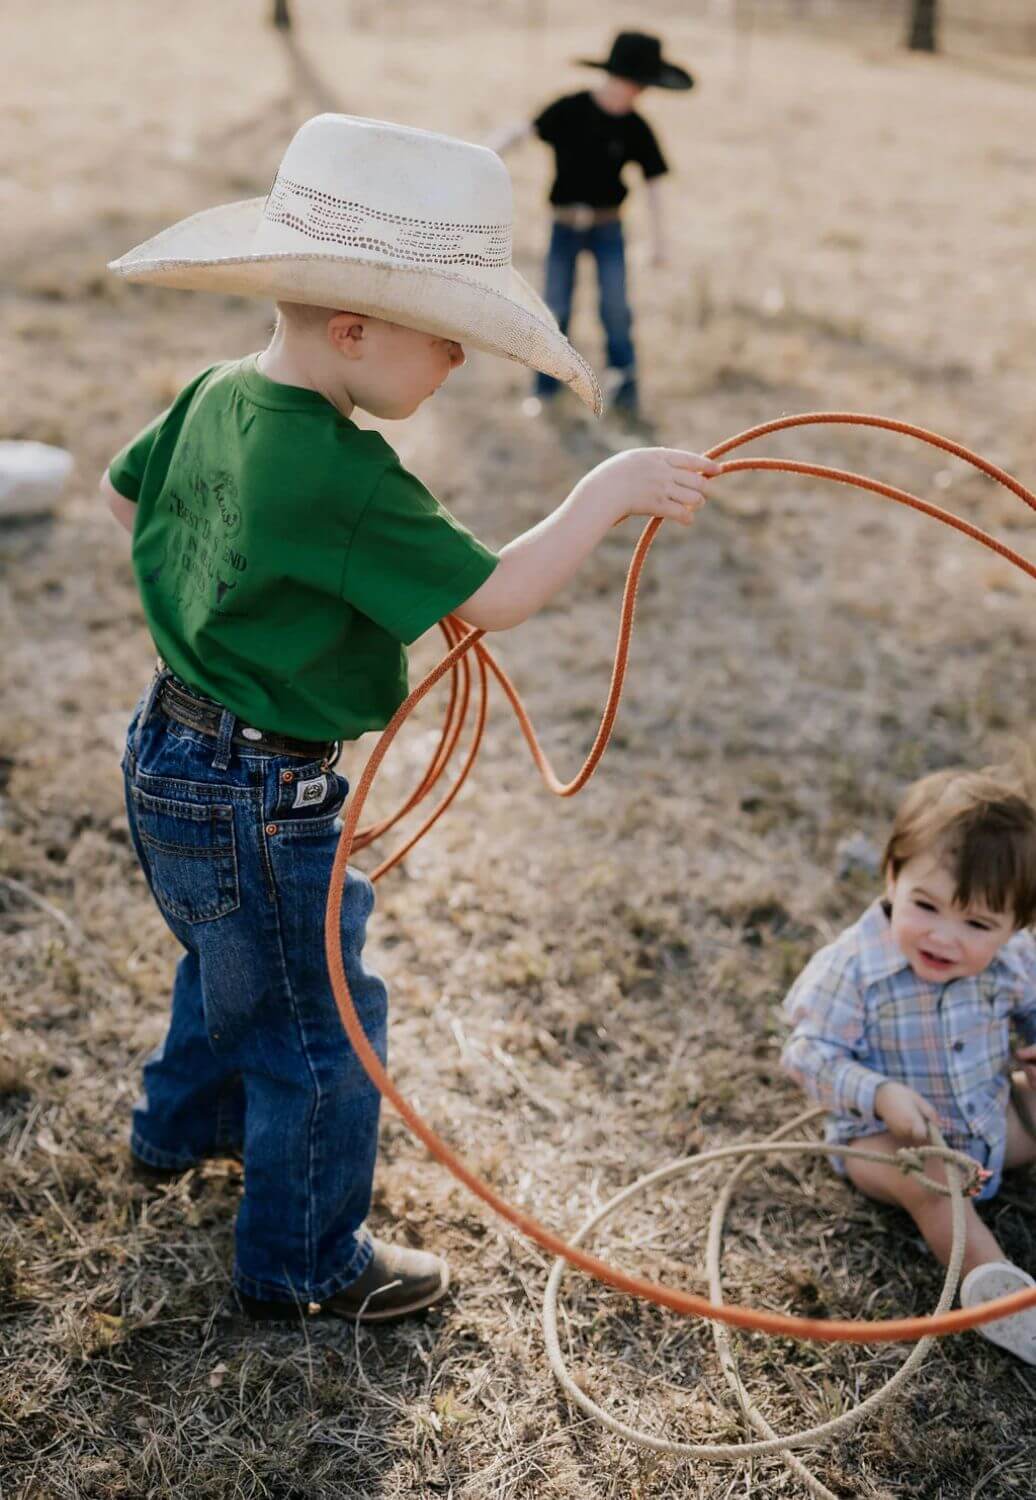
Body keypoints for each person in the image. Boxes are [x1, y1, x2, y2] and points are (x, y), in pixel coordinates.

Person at [101, 113, 718, 1325]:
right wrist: (605, 491)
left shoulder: (219, 390)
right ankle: (304, 1264)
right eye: (449, 342)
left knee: (229, 960)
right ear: (353, 330)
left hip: (169, 747)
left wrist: (235, 618)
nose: (461, 366)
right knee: (321, 1026)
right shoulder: (341, 472)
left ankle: (178, 1131)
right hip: (260, 786)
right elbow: (500, 597)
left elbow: (136, 502)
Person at [781, 764, 1036, 1363]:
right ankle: (999, 1299)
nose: (945, 937)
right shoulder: (853, 968)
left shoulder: (1015, 959)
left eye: (976, 923)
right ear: (892, 877)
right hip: (885, 1142)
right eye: (926, 905)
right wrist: (878, 1093)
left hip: (989, 1123)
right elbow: (807, 1054)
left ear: (1016, 926)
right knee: (934, 1183)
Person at [491, 30, 693, 427]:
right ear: (614, 75)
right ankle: (545, 389)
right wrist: (487, 151)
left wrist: (660, 243)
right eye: (633, 82)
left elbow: (654, 183)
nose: (635, 92)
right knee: (554, 308)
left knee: (615, 310)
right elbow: (526, 131)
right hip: (564, 227)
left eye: (642, 86)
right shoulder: (570, 109)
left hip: (608, 230)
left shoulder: (636, 128)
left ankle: (625, 389)